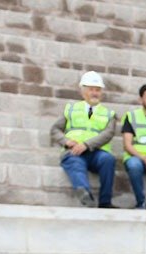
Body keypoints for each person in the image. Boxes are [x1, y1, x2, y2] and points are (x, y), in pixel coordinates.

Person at [50, 71, 117, 208]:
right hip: (74, 151)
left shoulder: (108, 113)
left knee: (108, 160)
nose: (95, 93)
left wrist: (87, 145)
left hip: (97, 153)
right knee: (75, 163)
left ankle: (105, 202)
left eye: (97, 90)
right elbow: (55, 130)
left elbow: (108, 133)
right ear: (83, 92)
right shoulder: (71, 109)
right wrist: (66, 142)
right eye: (91, 89)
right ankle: (84, 193)